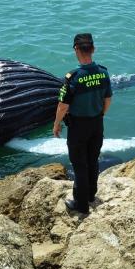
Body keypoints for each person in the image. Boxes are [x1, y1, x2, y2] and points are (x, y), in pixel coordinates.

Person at [53, 33, 113, 215]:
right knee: (93, 160)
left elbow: (63, 106)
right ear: (93, 49)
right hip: (97, 123)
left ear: (75, 50)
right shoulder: (103, 72)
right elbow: (108, 99)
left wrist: (56, 124)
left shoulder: (73, 77)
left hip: (78, 127)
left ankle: (81, 204)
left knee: (79, 164)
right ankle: (90, 196)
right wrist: (101, 114)